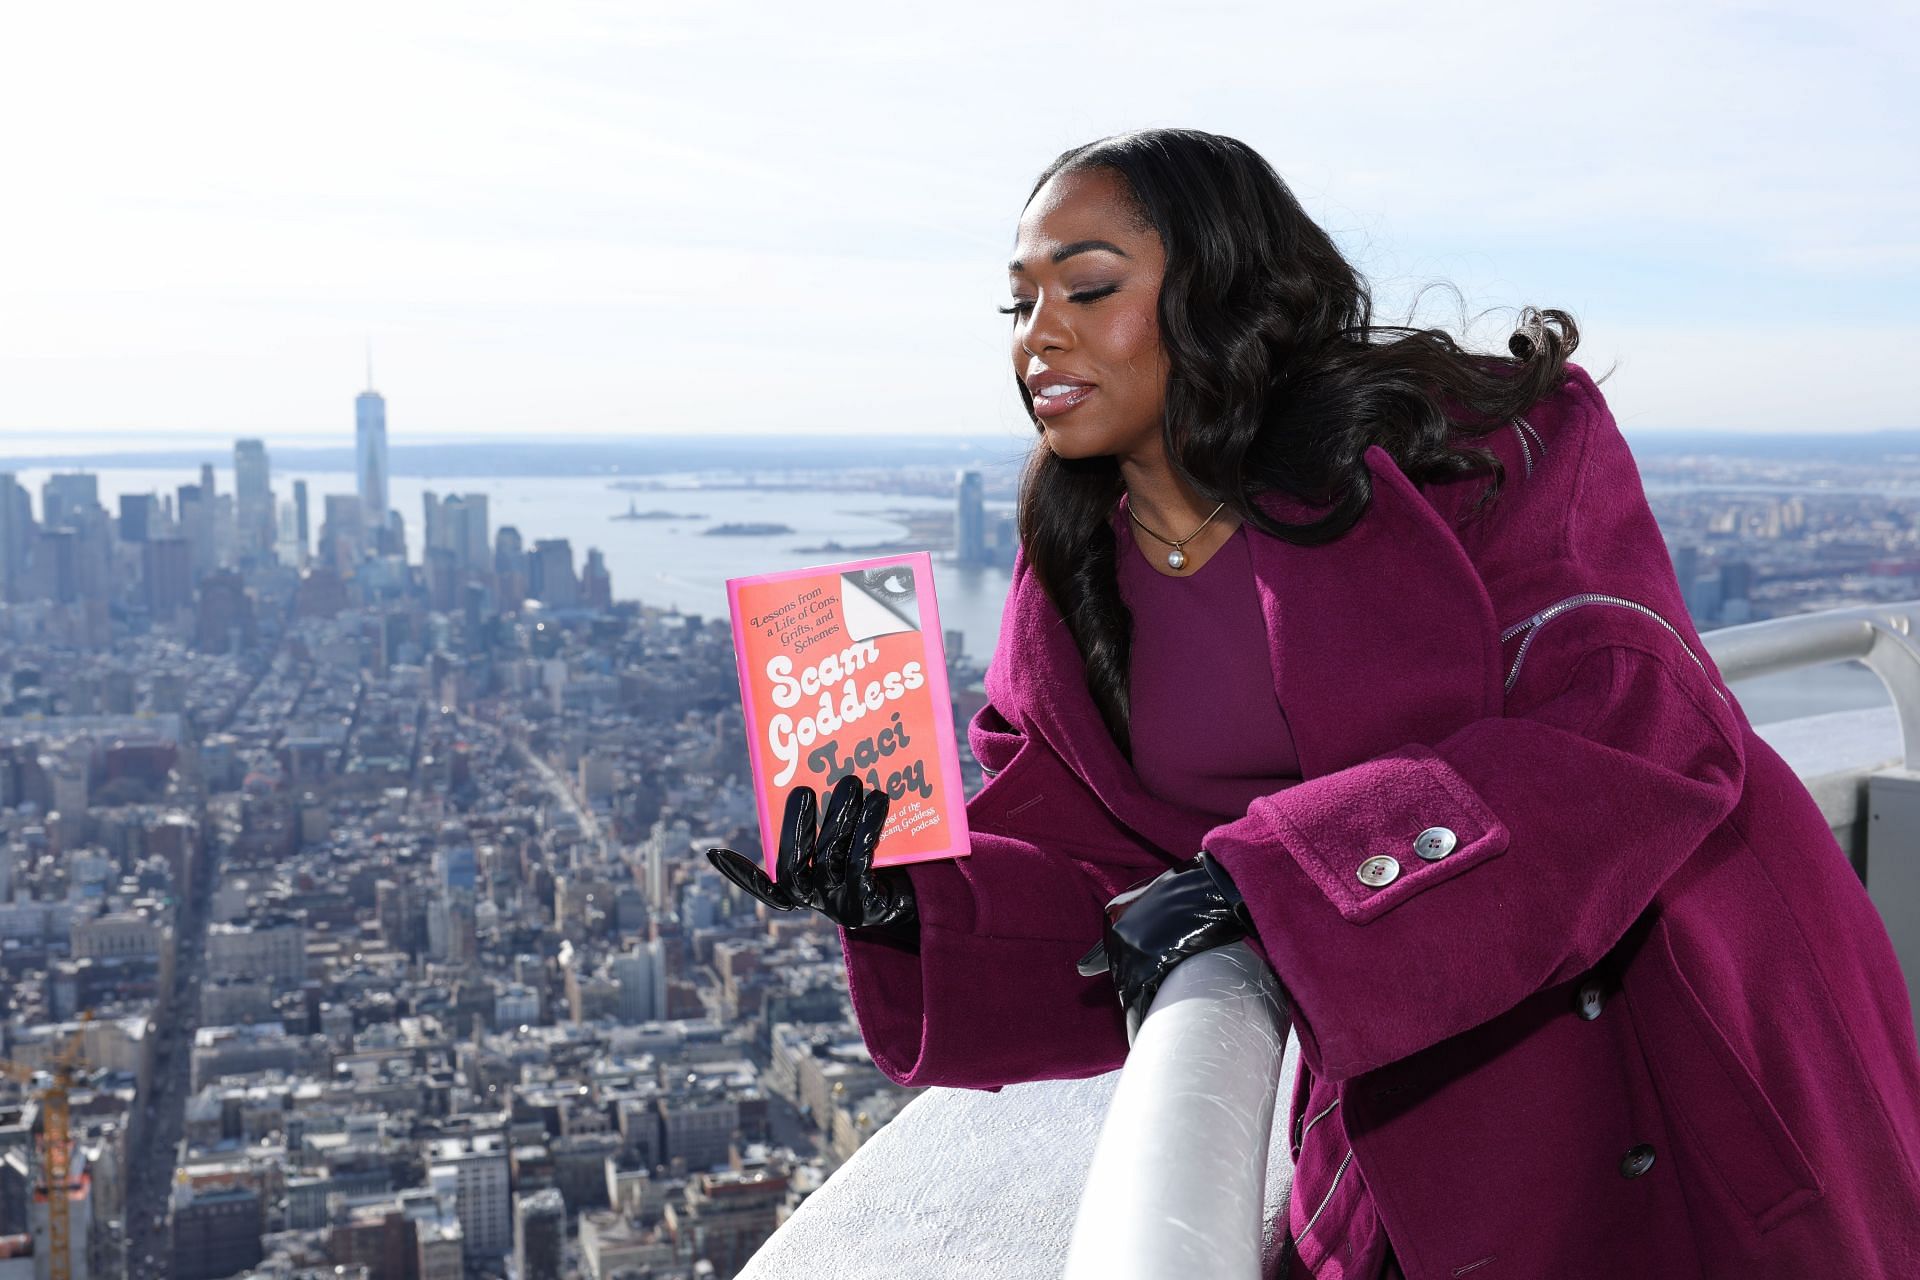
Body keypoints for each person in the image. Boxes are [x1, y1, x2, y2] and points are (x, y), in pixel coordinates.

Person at [708, 129, 1920, 1278]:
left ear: (1221, 291)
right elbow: (1095, 864)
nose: (1038, 337)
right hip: (1407, 1048)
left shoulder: (1489, 443)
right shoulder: (1073, 553)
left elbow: (1630, 720)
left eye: (1084, 289)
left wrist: (1279, 876)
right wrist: (911, 900)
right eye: (1018, 304)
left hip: (1669, 1013)